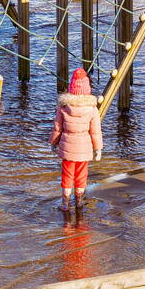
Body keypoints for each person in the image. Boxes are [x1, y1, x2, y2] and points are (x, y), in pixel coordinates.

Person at [49, 68, 103, 211]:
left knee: (67, 176)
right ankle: (79, 201)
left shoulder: (63, 108)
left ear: (71, 88)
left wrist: (53, 143)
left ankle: (65, 203)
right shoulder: (92, 109)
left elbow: (57, 129)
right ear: (87, 89)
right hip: (84, 149)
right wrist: (98, 150)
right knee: (81, 175)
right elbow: (95, 132)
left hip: (68, 149)